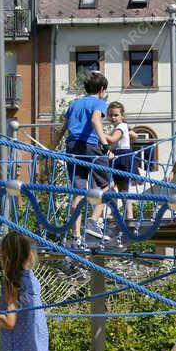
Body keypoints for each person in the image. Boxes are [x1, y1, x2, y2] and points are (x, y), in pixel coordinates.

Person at [52, 70, 110, 241]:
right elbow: (95, 120)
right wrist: (105, 146)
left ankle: (76, 235)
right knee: (108, 184)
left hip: (71, 147)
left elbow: (62, 130)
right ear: (101, 89)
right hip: (90, 147)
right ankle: (93, 222)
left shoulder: (74, 105)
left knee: (78, 192)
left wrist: (50, 150)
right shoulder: (99, 103)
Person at [105, 101, 140, 222]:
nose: (113, 118)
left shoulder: (120, 127)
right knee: (120, 188)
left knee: (114, 187)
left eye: (116, 115)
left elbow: (113, 139)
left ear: (122, 116)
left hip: (121, 157)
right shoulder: (122, 126)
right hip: (121, 156)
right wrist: (129, 136)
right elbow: (135, 136)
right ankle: (126, 214)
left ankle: (123, 213)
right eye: (110, 115)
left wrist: (99, 133)